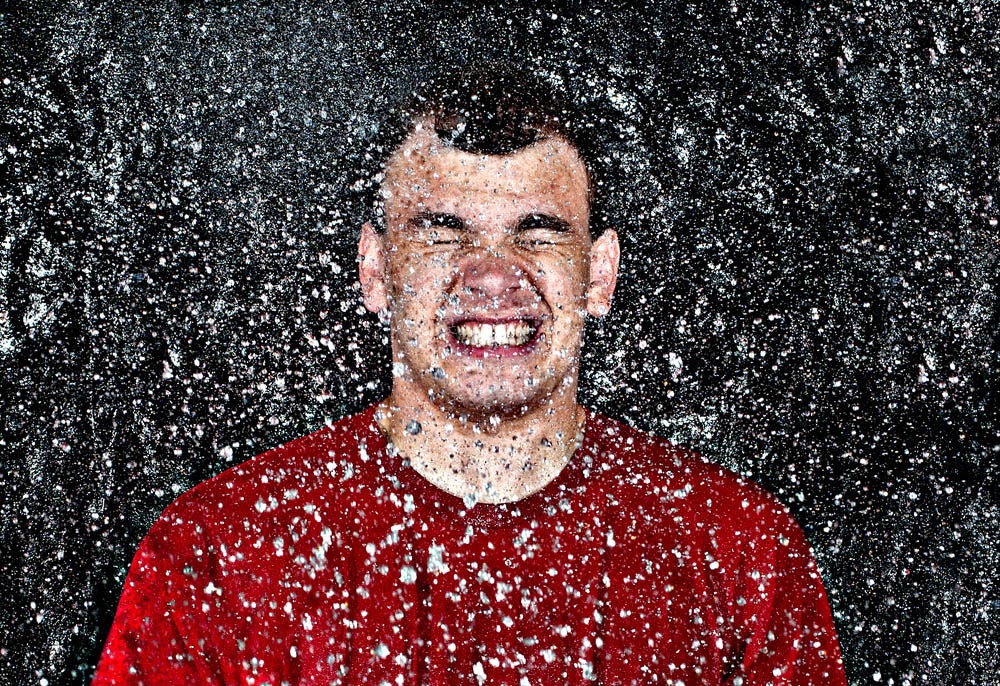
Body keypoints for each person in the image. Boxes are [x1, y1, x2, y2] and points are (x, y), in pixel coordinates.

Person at [93, 65, 847, 685]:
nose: (493, 275)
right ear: (375, 271)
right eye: (443, 231)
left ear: (601, 276)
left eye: (539, 233)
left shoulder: (738, 552)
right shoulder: (221, 552)